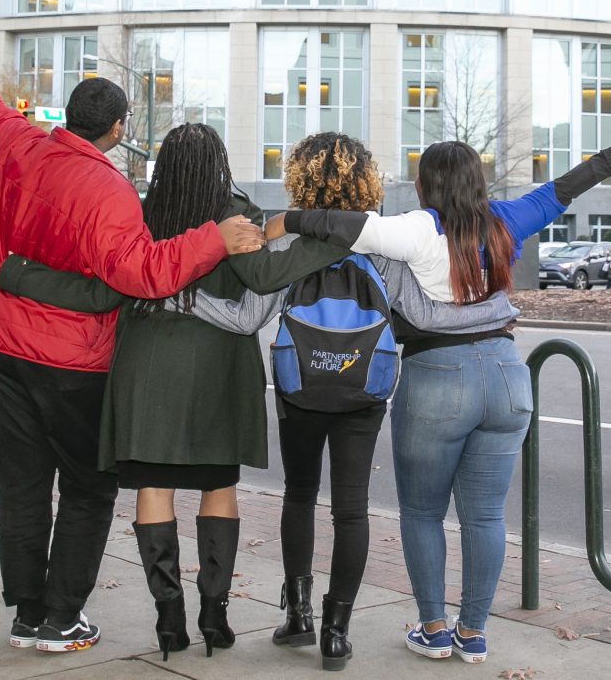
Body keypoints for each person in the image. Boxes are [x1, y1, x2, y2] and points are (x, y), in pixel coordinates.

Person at [267, 111, 611, 664]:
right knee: (485, 516)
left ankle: (434, 630)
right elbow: (567, 186)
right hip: (508, 375)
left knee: (422, 512)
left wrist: (285, 220)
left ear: (426, 185)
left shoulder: (417, 228)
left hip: (440, 376)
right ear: (478, 183)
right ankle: (473, 634)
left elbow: (347, 227)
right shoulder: (506, 220)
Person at [0, 29, 265, 654]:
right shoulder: (108, 191)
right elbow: (140, 273)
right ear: (114, 128)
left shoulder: (17, 143)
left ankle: (27, 613)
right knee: (86, 487)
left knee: (22, 483)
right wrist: (214, 239)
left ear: (70, 117)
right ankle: (61, 618)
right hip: (70, 359)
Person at [0, 123, 364, 661]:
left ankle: (169, 622)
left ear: (164, 165)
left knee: (154, 486)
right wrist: (334, 240)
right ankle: (214, 616)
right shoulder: (236, 211)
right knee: (217, 486)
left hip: (146, 368)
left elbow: (100, 292)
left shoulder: (138, 213)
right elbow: (264, 276)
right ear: (219, 162)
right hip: (219, 370)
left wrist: (19, 274)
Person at [170, 132, 523, 672]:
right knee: (351, 507)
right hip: (364, 387)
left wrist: (182, 299)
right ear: (368, 180)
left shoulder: (284, 241)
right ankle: (338, 631)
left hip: (301, 387)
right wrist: (496, 314)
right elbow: (421, 316)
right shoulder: (380, 242)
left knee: (300, 493)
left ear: (299, 178)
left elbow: (245, 319)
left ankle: (299, 615)